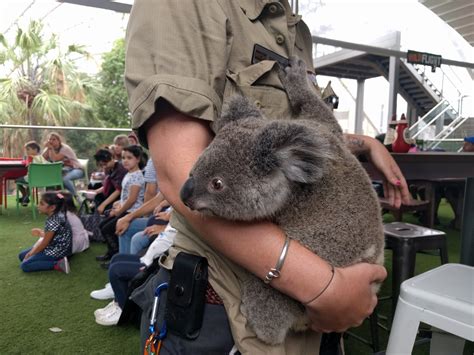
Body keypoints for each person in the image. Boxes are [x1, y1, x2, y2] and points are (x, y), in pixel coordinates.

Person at [125, 1, 411, 353]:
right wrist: (325, 288)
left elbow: (297, 137)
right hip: (227, 307)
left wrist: (361, 143)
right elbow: (177, 170)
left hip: (311, 312)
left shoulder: (293, 26)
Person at [92, 223, 177, 326]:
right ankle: (118, 301)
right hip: (148, 259)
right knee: (116, 258)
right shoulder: (178, 214)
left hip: (156, 266)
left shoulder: (186, 215)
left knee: (116, 270)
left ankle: (124, 311)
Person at [96, 145, 147, 267]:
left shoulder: (137, 176)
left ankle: (116, 254)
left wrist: (119, 212)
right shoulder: (129, 174)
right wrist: (118, 203)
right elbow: (126, 196)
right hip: (125, 208)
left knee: (108, 228)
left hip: (131, 211)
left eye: (129, 158)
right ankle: (111, 253)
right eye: (123, 157)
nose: (125, 160)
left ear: (138, 159)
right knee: (103, 225)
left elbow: (132, 200)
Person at [18, 191, 72, 273]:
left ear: (52, 208)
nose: (38, 206)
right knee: (22, 256)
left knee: (25, 265)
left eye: (41, 204)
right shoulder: (58, 214)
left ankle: (57, 264)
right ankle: (54, 260)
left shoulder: (53, 221)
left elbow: (44, 243)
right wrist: (41, 233)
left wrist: (32, 253)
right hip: (56, 246)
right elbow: (54, 235)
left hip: (58, 251)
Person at [42, 132, 84, 198]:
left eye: (54, 139)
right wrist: (47, 148)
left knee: (65, 179)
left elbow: (55, 159)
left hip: (76, 169)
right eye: (50, 139)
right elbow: (42, 158)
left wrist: (51, 148)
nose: (51, 141)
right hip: (63, 170)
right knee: (51, 180)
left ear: (59, 141)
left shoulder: (64, 148)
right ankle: (52, 200)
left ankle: (76, 197)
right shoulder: (50, 148)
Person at [91, 148, 128, 214]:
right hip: (111, 194)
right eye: (101, 165)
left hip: (121, 197)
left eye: (105, 164)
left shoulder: (120, 169)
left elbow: (118, 190)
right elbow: (107, 184)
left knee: (105, 209)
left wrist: (103, 205)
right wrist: (96, 191)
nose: (104, 167)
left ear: (112, 158)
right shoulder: (109, 169)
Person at [16, 140, 49, 206]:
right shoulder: (41, 157)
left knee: (17, 181)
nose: (26, 152)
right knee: (30, 183)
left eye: (28, 149)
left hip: (31, 178)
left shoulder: (30, 157)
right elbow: (47, 164)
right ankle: (25, 198)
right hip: (43, 179)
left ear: (35, 150)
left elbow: (28, 165)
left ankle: (25, 196)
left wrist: (25, 161)